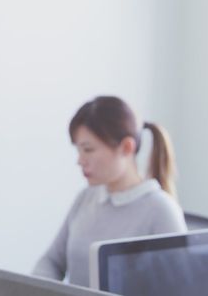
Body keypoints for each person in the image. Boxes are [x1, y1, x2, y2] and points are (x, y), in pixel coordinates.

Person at [33, 95, 186, 287]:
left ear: (126, 147)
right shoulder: (86, 198)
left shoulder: (160, 210)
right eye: (78, 151)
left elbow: (179, 287)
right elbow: (52, 262)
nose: (80, 160)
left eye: (88, 150)